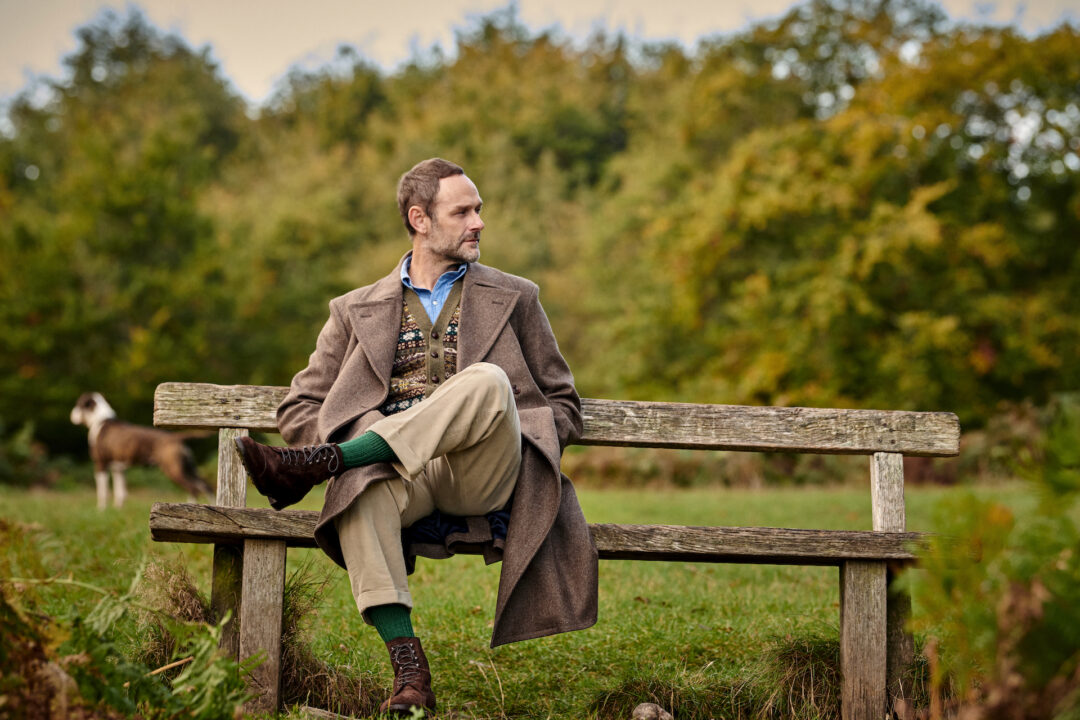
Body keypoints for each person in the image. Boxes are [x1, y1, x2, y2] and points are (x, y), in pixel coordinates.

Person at [235, 158, 598, 716]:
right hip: (402, 478)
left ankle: (320, 464)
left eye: (479, 209)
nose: (478, 221)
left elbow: (564, 402)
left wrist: (531, 433)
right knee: (361, 490)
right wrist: (360, 429)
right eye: (463, 211)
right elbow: (300, 405)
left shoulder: (517, 296)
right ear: (419, 219)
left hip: (483, 469)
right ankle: (410, 672)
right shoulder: (354, 309)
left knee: (488, 380)